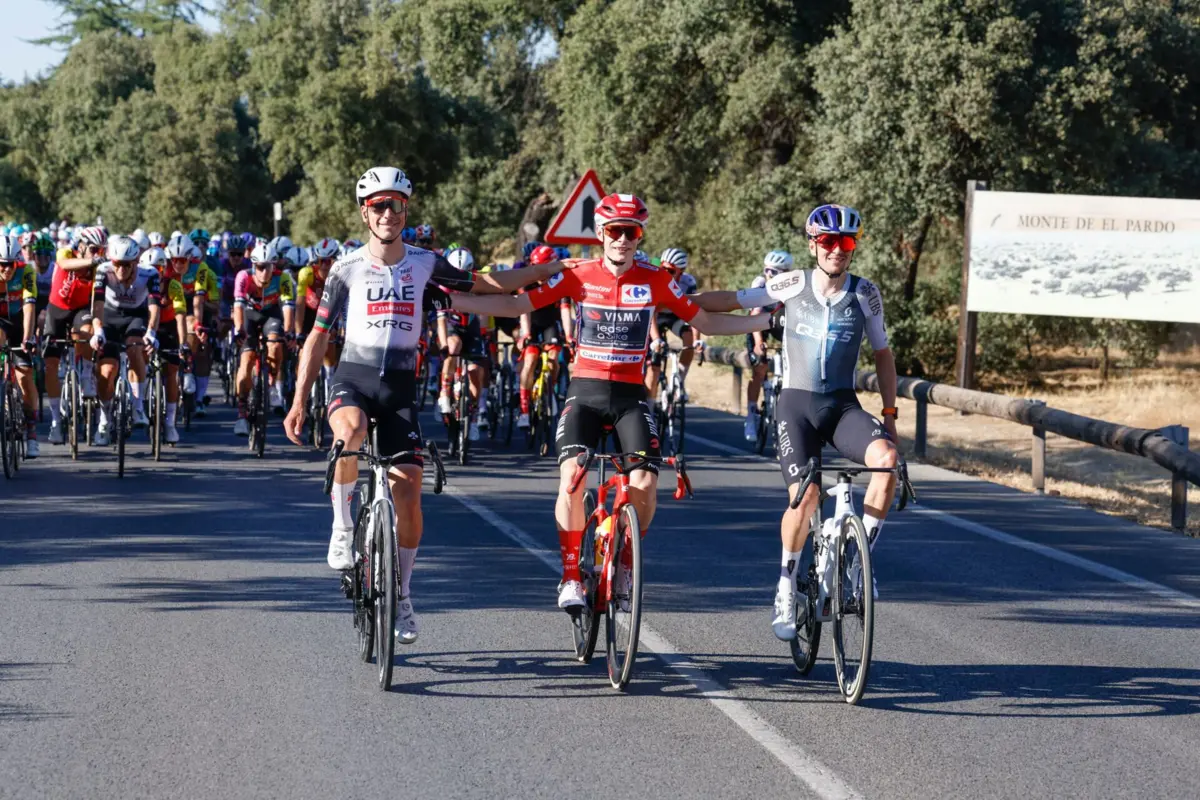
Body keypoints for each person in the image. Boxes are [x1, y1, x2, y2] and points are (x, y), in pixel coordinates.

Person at [443, 193, 775, 610]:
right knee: (572, 479)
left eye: (630, 232)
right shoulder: (578, 274)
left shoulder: (655, 279)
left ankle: (626, 562)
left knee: (646, 482)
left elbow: (704, 318)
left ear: (639, 236)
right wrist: (450, 300)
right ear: (601, 234)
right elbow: (514, 303)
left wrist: (768, 317)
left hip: (631, 397)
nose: (622, 239)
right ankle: (569, 577)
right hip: (585, 392)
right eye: (614, 231)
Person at [284, 166, 570, 645]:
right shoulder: (345, 268)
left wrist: (544, 272)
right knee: (350, 431)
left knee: (410, 489)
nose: (388, 213)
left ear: (405, 211)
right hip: (352, 380)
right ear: (364, 213)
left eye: (396, 205)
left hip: (398, 390)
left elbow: (484, 286)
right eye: (378, 205)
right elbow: (317, 336)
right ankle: (340, 526)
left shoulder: (424, 262)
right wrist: (297, 401)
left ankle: (403, 592)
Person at [691, 204, 900, 639]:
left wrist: (890, 414)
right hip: (796, 406)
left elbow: (882, 355)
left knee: (887, 462)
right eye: (828, 241)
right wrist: (677, 303)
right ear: (813, 244)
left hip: (842, 406)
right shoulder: (792, 283)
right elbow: (733, 301)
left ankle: (858, 567)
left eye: (846, 242)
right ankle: (786, 586)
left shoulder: (866, 294)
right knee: (805, 499)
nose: (837, 250)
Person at [90, 234, 162, 444]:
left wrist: (151, 332)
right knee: (107, 371)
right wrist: (98, 330)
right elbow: (98, 305)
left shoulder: (150, 274)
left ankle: (138, 407)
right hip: (110, 317)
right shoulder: (103, 271)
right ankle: (104, 419)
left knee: (135, 348)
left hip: (135, 317)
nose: (121, 270)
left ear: (135, 263)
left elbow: (154, 307)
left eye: (127, 265)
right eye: (117, 264)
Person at [744, 250, 794, 440]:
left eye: (774, 272)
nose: (769, 275)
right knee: (760, 367)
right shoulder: (760, 284)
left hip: (779, 324)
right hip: (757, 325)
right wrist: (759, 343)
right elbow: (755, 316)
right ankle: (750, 416)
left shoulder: (792, 287)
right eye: (767, 270)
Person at [0, 234, 40, 457]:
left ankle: (32, 432)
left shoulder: (26, 272)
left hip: (19, 322)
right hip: (0, 323)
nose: (7, 270)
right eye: (2, 265)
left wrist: (28, 338)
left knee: (25, 376)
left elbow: (29, 307)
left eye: (11, 264)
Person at [644, 246, 699, 403]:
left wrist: (697, 339)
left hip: (674, 316)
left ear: (681, 272)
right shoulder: (655, 278)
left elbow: (694, 312)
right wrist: (655, 339)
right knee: (654, 367)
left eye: (671, 271)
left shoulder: (688, 283)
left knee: (690, 340)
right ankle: (650, 408)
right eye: (663, 268)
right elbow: (651, 312)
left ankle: (678, 381)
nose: (666, 273)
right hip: (655, 317)